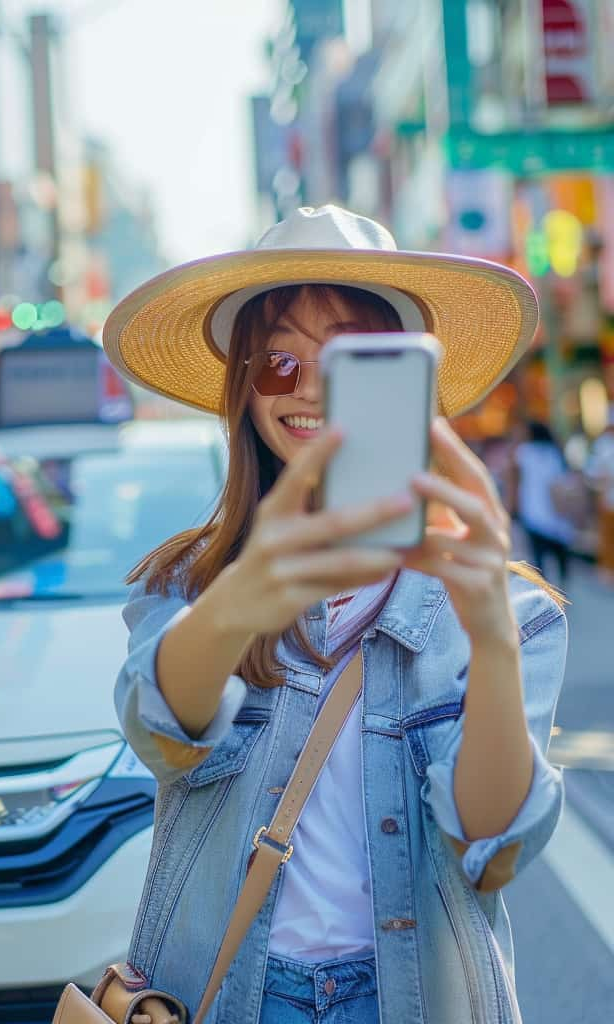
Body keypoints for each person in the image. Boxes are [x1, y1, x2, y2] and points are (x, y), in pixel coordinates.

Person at [102, 206, 567, 1024]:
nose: (311, 388)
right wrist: (247, 593)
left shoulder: (510, 606)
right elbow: (160, 731)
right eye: (279, 360)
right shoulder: (188, 581)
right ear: (243, 389)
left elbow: (491, 848)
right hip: (227, 997)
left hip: (411, 1001)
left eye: (355, 360)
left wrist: (490, 635)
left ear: (410, 381)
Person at [511, 420, 575, 585]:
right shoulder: (554, 452)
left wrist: (512, 503)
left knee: (538, 553)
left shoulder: (524, 452)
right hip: (557, 510)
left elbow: (514, 478)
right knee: (559, 548)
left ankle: (545, 589)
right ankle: (564, 583)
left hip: (532, 508)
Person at [585, 410, 614, 581]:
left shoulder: (603, 444)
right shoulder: (604, 444)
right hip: (608, 499)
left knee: (608, 538)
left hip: (608, 500)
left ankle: (607, 572)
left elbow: (594, 473)